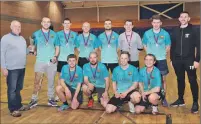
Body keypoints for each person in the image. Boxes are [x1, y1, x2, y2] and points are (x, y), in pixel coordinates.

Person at [170, 11, 200, 113]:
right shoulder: (175, 30)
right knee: (180, 79)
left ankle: (195, 102)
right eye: (181, 17)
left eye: (185, 17)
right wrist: (171, 59)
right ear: (179, 19)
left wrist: (197, 60)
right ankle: (180, 99)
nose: (183, 18)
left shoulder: (194, 30)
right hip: (177, 61)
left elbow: (199, 46)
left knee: (192, 80)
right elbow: (172, 46)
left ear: (188, 18)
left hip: (190, 61)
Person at [28, 17, 60, 108]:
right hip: (40, 61)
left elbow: (57, 47)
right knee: (37, 81)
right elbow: (33, 45)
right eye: (44, 22)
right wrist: (33, 50)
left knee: (51, 82)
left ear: (50, 24)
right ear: (41, 23)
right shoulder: (36, 34)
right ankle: (34, 99)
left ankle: (51, 99)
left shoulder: (54, 34)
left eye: (48, 22)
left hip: (51, 62)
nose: (46, 23)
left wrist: (55, 56)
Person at [1, 20, 30, 117]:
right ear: (11, 27)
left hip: (22, 67)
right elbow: (1, 53)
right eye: (16, 26)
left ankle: (19, 105)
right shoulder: (5, 38)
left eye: (19, 26)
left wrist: (29, 49)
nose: (18, 28)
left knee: (18, 88)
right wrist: (3, 68)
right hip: (12, 69)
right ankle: (13, 109)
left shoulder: (22, 38)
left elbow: (24, 51)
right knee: (12, 89)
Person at [142, 15, 171, 107]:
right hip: (150, 61)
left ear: (161, 23)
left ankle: (163, 98)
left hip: (161, 60)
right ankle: (150, 97)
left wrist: (162, 54)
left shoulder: (165, 34)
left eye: (158, 22)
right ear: (152, 23)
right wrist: (149, 56)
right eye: (154, 22)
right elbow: (144, 45)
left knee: (162, 80)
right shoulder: (147, 33)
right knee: (149, 79)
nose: (156, 24)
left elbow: (168, 46)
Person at [56, 18, 77, 101]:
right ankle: (58, 94)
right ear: (63, 24)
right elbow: (57, 46)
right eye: (65, 23)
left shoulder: (75, 34)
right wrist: (56, 56)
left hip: (71, 60)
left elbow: (77, 47)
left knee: (71, 76)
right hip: (61, 59)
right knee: (60, 77)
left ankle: (70, 91)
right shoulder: (58, 34)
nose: (67, 25)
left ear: (71, 24)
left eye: (68, 23)